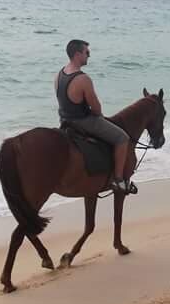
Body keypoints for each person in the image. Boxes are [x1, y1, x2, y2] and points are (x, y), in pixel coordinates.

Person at [55, 39, 134, 192]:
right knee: (122, 138)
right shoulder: (83, 79)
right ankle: (118, 180)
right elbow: (96, 108)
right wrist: (98, 115)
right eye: (87, 53)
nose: (89, 56)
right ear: (78, 54)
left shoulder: (59, 74)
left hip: (64, 121)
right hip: (82, 122)